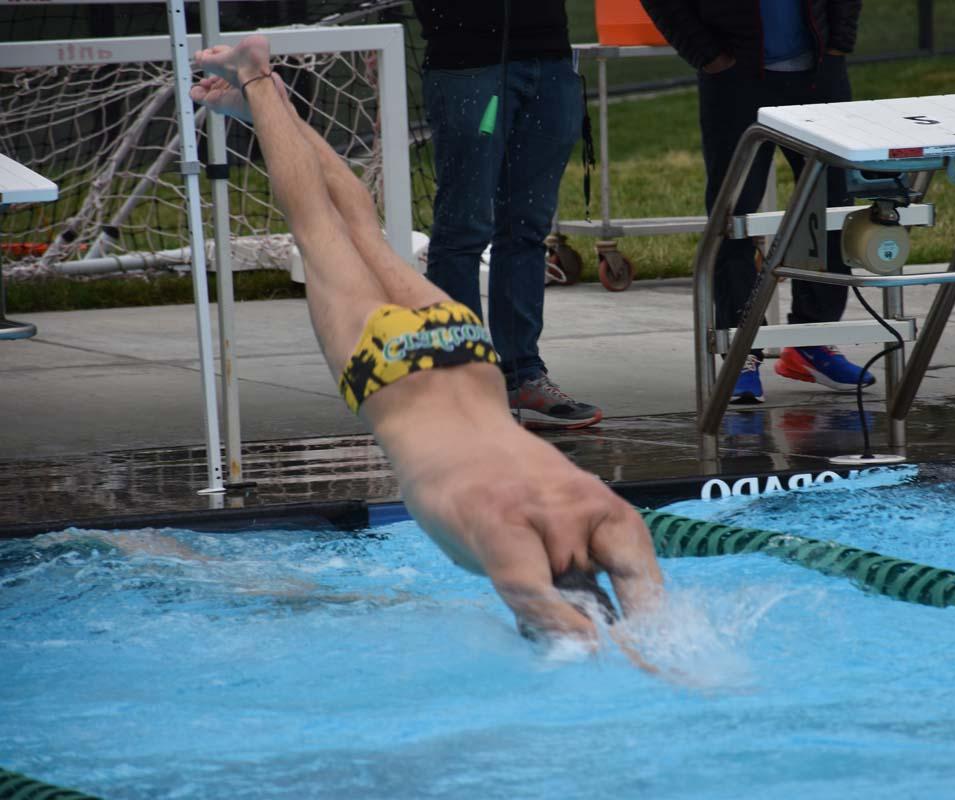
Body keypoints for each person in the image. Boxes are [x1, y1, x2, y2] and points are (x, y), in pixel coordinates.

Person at [189, 36, 663, 642]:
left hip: (465, 348)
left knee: (363, 230)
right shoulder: (504, 535)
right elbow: (550, 607)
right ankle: (258, 83)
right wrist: (607, 652)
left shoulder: (612, 517)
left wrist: (641, 644)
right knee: (318, 226)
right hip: (391, 376)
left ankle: (271, 102)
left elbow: (650, 606)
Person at [639, 0, 873, 403]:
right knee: (735, 214)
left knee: (831, 209)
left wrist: (838, 46)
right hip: (735, 76)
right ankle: (741, 350)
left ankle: (812, 341)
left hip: (818, 73)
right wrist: (708, 56)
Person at [412, 0, 602, 430]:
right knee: (464, 228)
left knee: (527, 229)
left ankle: (523, 373)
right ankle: (461, 377)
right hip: (467, 62)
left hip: (549, 59)